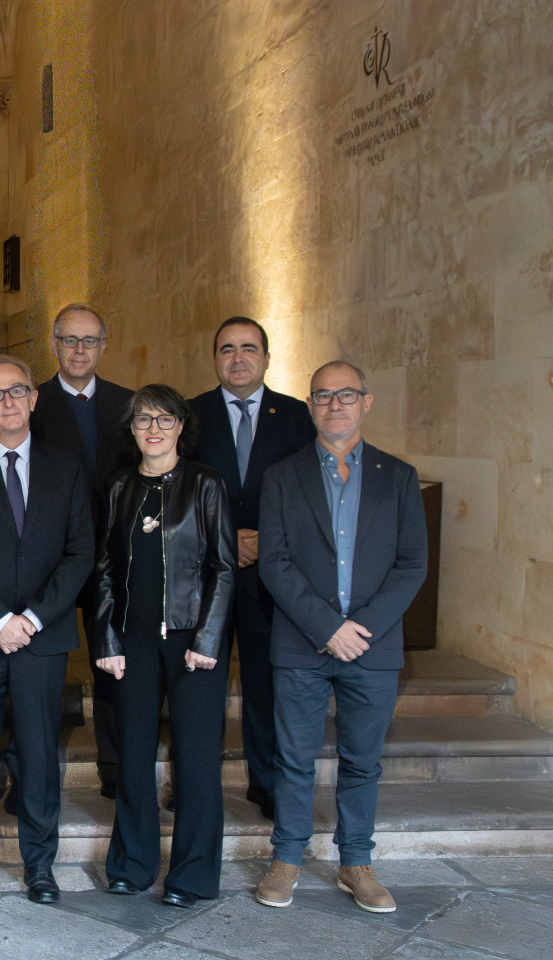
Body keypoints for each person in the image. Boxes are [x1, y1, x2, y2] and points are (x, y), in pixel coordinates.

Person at [253, 361, 427, 915]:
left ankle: (356, 863)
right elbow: (274, 563)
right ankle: (287, 859)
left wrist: (361, 630)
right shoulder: (283, 475)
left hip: (373, 648)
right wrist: (328, 627)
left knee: (362, 760)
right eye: (323, 396)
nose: (335, 405)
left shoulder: (398, 476)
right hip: (303, 643)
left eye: (346, 394)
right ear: (310, 406)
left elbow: (412, 565)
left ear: (366, 402)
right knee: (294, 756)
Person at [0, 355, 93, 906]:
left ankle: (39, 865)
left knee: (37, 756)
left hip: (43, 636)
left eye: (16, 392)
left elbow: (80, 554)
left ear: (33, 398)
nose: (6, 402)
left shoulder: (67, 466)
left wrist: (32, 617)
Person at [92, 384, 235, 908]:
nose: (154, 429)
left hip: (194, 643)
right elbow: (104, 570)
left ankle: (191, 876)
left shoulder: (206, 484)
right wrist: (106, 637)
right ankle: (132, 864)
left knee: (196, 762)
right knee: (133, 756)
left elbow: (223, 566)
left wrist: (208, 636)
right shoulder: (119, 488)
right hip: (131, 641)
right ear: (131, 430)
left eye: (164, 419)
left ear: (181, 426)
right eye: (143, 420)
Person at [186, 317, 314, 821]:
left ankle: (266, 783)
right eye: (226, 349)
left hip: (270, 575)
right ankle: (194, 782)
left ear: (266, 357)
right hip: (205, 574)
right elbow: (178, 490)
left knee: (266, 684)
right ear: (214, 357)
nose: (237, 358)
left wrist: (266, 540)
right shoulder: (191, 414)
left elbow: (307, 491)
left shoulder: (297, 416)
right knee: (200, 687)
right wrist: (223, 539)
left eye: (248, 349)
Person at [29, 303, 135, 799]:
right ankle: (32, 770)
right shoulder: (30, 402)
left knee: (113, 663)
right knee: (41, 667)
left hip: (115, 557)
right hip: (49, 558)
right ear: (54, 345)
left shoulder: (130, 404)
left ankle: (115, 769)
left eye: (89, 340)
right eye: (69, 340)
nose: (78, 349)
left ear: (103, 347)